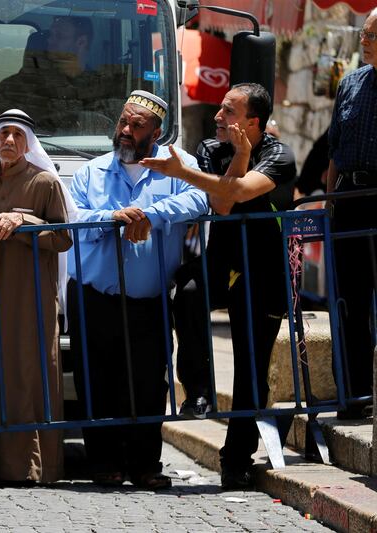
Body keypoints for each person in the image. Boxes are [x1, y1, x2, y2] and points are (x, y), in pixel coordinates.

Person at [141, 82, 297, 489]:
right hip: (222, 259)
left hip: (264, 270)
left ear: (253, 122)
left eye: (228, 112)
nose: (217, 117)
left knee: (250, 369)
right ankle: (198, 388)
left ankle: (236, 459)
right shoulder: (212, 148)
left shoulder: (280, 155)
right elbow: (222, 205)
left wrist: (240, 157)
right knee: (187, 290)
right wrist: (234, 157)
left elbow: (236, 194)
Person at [67, 90, 208, 489]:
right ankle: (104, 463)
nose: (126, 131)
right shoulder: (91, 172)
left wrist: (152, 214)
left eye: (137, 126)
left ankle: (146, 464)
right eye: (123, 123)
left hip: (149, 300)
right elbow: (73, 215)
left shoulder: (179, 167)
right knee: (97, 381)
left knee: (148, 382)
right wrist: (113, 217)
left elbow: (200, 198)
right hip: (94, 296)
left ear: (157, 132)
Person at [0, 109, 72, 484]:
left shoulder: (44, 182)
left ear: (28, 141)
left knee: (27, 373)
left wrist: (25, 221)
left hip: (32, 295)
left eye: (17, 135)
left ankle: (28, 467)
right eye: (3, 134)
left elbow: (63, 237)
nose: (9, 141)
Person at [324, 8, 377, 420]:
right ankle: (356, 395)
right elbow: (334, 154)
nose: (363, 41)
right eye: (363, 33)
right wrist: (329, 203)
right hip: (351, 199)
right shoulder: (352, 82)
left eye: (371, 35)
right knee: (349, 304)